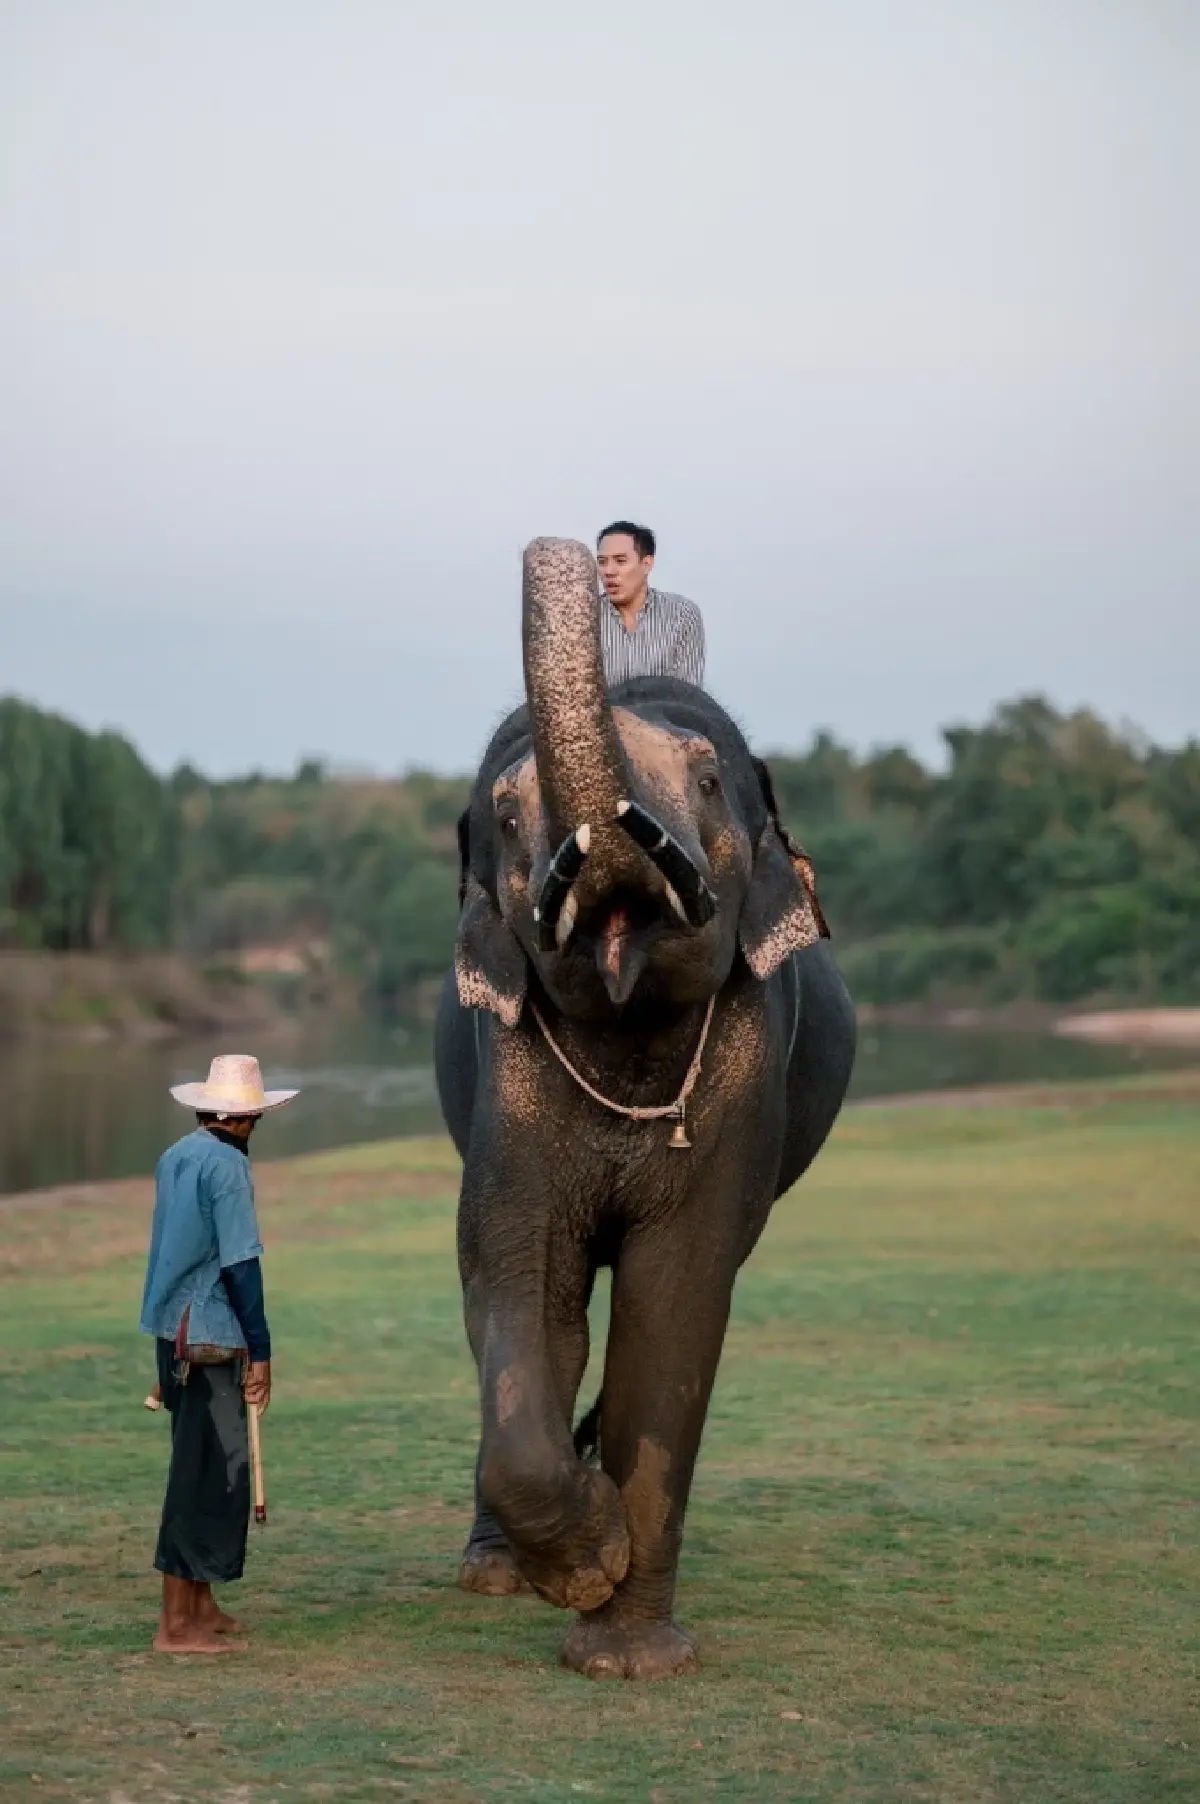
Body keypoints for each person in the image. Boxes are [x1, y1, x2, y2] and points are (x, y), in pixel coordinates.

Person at [140, 1053, 298, 1655]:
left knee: (208, 1468)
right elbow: (239, 1263)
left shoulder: (176, 1156)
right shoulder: (228, 1166)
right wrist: (260, 1350)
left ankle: (201, 1606)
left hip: (171, 1333)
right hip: (207, 1338)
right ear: (247, 1118)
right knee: (203, 1477)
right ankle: (176, 1627)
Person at [596, 520, 706, 686]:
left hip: (662, 712)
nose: (609, 571)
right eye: (602, 562)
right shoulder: (584, 619)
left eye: (620, 561)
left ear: (646, 564)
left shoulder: (682, 614)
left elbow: (686, 696)